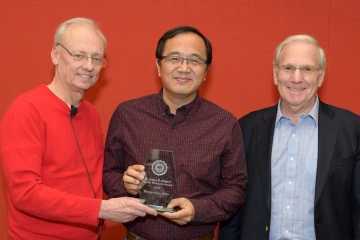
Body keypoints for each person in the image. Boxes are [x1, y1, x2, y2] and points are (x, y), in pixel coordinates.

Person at [0, 17, 157, 240]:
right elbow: (25, 194)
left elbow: (89, 179)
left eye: (96, 58)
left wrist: (128, 182)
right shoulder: (25, 110)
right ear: (55, 55)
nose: (89, 66)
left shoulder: (90, 114)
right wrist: (102, 209)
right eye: (78, 55)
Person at [103, 26, 247, 240]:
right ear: (159, 66)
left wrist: (198, 210)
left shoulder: (225, 124)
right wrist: (126, 185)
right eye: (174, 58)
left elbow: (235, 188)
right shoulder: (127, 114)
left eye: (195, 60)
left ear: (206, 72)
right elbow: (108, 174)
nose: (184, 68)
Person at [218, 34, 360, 240]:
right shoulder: (246, 127)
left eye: (307, 69)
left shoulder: (352, 129)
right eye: (288, 68)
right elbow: (234, 202)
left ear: (320, 77)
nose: (296, 77)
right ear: (276, 74)